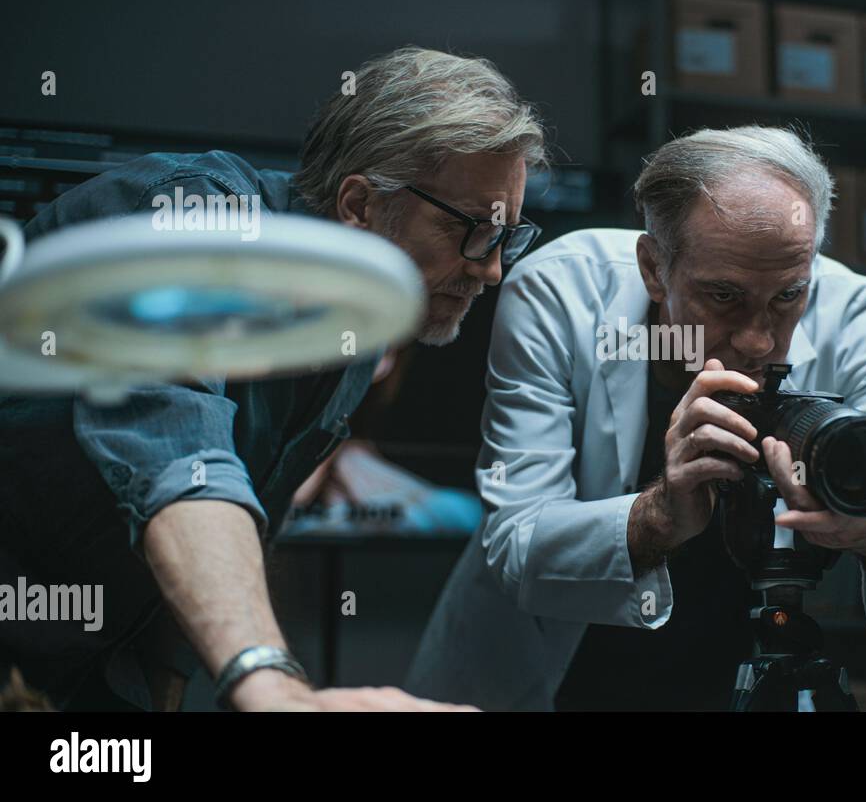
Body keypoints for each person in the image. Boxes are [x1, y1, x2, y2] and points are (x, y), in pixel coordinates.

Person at [0, 46, 545, 711]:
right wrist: (272, 685)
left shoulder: (349, 337)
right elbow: (179, 457)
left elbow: (227, 529)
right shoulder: (193, 215)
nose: (490, 270)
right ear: (360, 205)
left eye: (504, 239)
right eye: (472, 230)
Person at [407, 125, 866, 710]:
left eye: (788, 296)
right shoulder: (559, 293)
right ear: (654, 268)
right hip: (541, 663)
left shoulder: (854, 314)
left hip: (736, 661)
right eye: (724, 297)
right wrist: (659, 514)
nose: (758, 342)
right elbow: (516, 541)